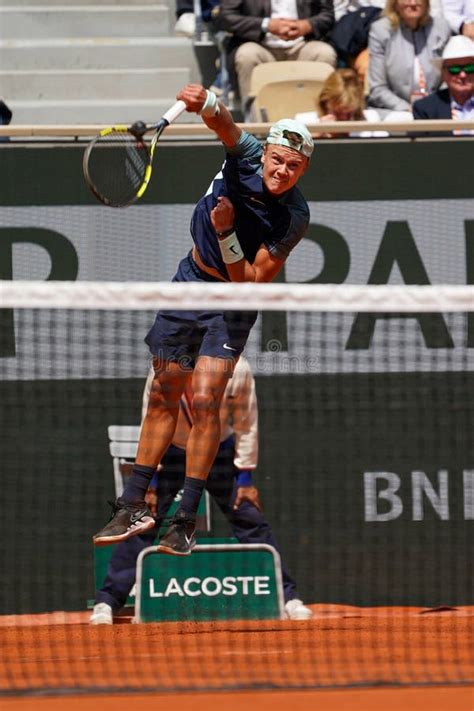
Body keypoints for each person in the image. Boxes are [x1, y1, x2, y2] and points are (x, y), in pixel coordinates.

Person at [92, 83, 313, 556]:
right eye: (278, 160)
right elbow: (224, 124)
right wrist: (205, 102)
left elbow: (249, 281)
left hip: (231, 302)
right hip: (190, 280)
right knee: (164, 392)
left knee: (208, 397)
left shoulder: (295, 215)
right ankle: (133, 503)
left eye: (294, 166)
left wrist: (227, 231)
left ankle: (186, 517)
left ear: (304, 169)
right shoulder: (247, 154)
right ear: (267, 151)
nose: (282, 171)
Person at [91, 357, 313, 624]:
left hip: (219, 451)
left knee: (250, 518)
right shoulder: (164, 366)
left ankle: (289, 598)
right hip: (171, 451)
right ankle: (107, 602)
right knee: (143, 522)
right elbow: (150, 419)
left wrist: (245, 480)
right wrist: (149, 482)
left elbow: (246, 422)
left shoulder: (237, 368)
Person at [218, 0, 337, 114]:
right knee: (247, 55)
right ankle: (255, 124)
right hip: (259, 44)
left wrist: (307, 25)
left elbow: (327, 15)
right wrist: (267, 25)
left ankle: (318, 124)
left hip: (303, 44)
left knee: (324, 53)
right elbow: (226, 17)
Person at [367, 0, 451, 115]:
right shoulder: (381, 30)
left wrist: (434, 106)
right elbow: (377, 88)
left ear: (426, 3)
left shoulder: (441, 28)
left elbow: (448, 78)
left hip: (435, 108)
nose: (412, 3)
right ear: (395, 3)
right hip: (396, 110)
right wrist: (408, 109)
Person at [295, 67, 383, 134]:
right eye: (338, 112)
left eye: (349, 113)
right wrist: (319, 134)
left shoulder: (371, 120)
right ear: (325, 102)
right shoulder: (304, 123)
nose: (343, 118)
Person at [412, 35, 474, 125]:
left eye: (470, 68)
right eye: (454, 69)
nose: (462, 75)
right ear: (443, 74)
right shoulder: (425, 109)